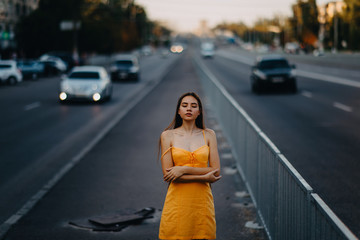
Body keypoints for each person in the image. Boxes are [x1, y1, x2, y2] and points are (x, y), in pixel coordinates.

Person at [159, 92, 222, 240]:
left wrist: (183, 169)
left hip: (202, 202)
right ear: (179, 111)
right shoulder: (167, 135)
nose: (189, 109)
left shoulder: (209, 134)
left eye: (194, 106)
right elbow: (169, 175)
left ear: (199, 112)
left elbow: (215, 170)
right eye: (184, 105)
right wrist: (203, 177)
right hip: (177, 202)